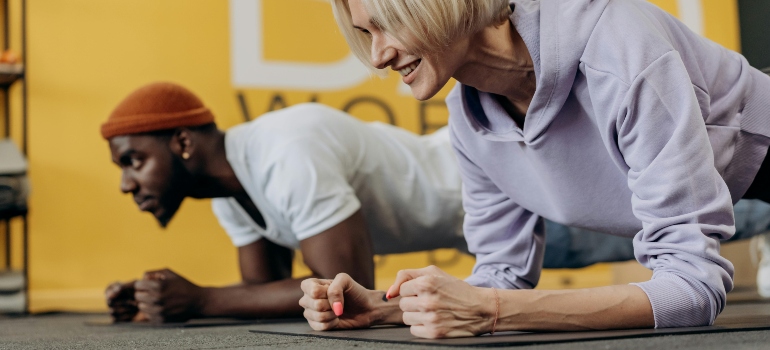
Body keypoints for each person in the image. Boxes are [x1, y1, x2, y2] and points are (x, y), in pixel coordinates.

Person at [299, 0, 770, 338]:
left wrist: (492, 311)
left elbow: (693, 290)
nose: (378, 56)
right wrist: (387, 309)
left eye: (387, 25)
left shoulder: (618, 47)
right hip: (724, 177)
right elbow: (500, 277)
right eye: (366, 34)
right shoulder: (471, 121)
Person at [101, 82, 467, 323]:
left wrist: (202, 300)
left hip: (491, 182)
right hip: (469, 226)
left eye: (133, 161)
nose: (125, 185)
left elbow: (347, 289)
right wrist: (160, 298)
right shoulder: (227, 195)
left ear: (182, 143)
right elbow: (265, 291)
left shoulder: (286, 150)